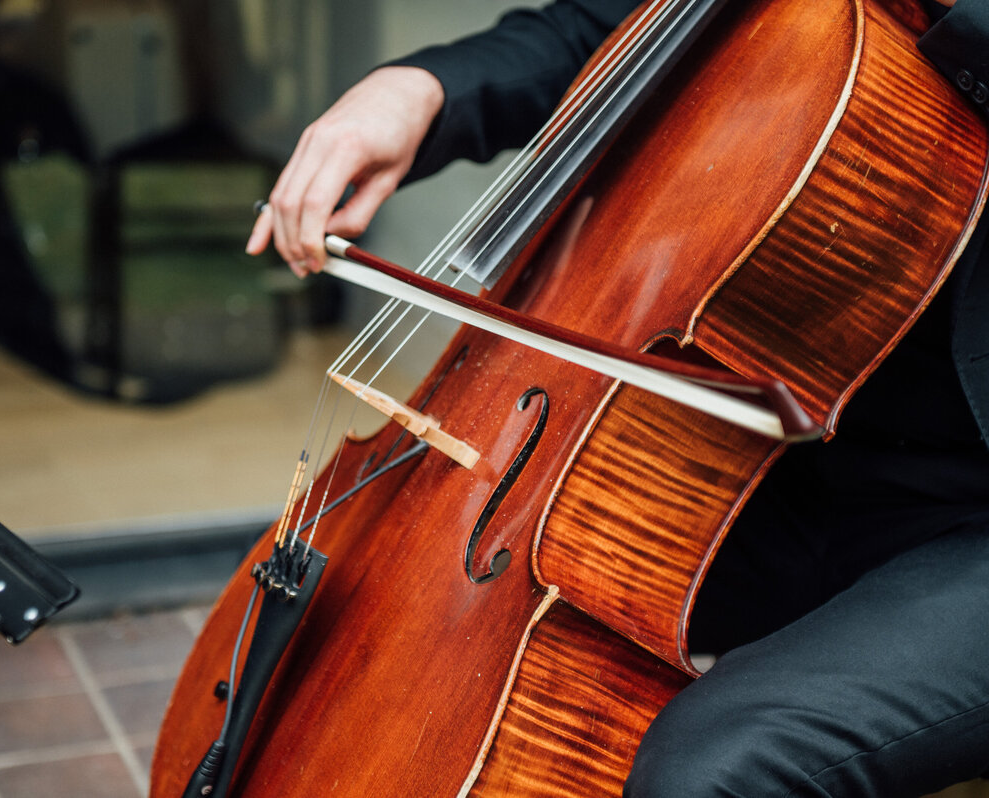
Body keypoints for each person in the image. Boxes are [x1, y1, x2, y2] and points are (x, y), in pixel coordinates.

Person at [248, 0, 989, 795]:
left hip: (970, 511)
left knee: (709, 770)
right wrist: (422, 87)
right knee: (403, 623)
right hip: (781, 452)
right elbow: (608, 27)